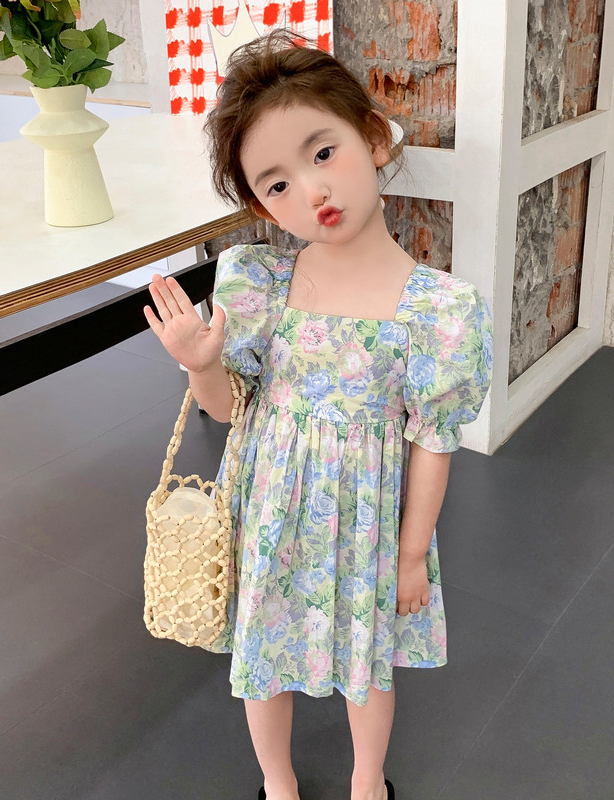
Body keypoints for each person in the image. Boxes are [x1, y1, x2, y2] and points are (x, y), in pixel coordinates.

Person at [143, 30, 492, 800]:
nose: (311, 192)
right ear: (258, 203)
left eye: (323, 153)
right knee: (262, 659)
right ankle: (278, 785)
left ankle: (369, 782)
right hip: (269, 513)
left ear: (372, 136)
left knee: (368, 663)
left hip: (366, 525)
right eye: (277, 185)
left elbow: (433, 441)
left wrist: (411, 555)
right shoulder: (260, 283)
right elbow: (228, 410)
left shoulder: (438, 311)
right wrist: (200, 363)